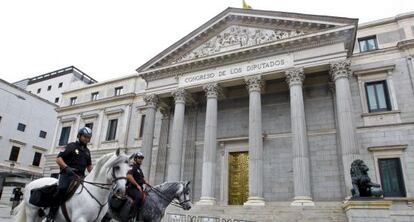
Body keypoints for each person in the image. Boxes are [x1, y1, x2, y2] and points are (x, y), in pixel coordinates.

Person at [46, 127, 93, 222]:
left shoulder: (87, 151)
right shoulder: (71, 146)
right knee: (62, 189)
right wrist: (66, 168)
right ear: (79, 136)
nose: (86, 139)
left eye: (88, 137)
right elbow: (59, 159)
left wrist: (95, 175)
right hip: (67, 175)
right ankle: (51, 215)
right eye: (85, 136)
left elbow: (89, 167)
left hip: (80, 177)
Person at [126, 151, 148, 220]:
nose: (141, 159)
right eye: (139, 158)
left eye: (142, 158)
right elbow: (129, 176)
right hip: (131, 188)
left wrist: (146, 182)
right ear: (135, 159)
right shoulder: (133, 167)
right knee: (139, 196)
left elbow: (142, 179)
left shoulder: (139, 169)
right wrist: (137, 185)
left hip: (138, 189)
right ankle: (131, 216)